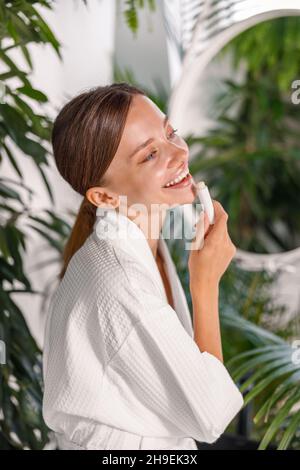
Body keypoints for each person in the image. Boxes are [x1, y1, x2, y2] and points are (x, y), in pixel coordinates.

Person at [42, 82, 244, 450]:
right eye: (150, 155)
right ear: (103, 196)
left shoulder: (145, 237)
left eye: (170, 133)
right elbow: (212, 415)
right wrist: (205, 284)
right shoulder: (122, 282)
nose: (179, 153)